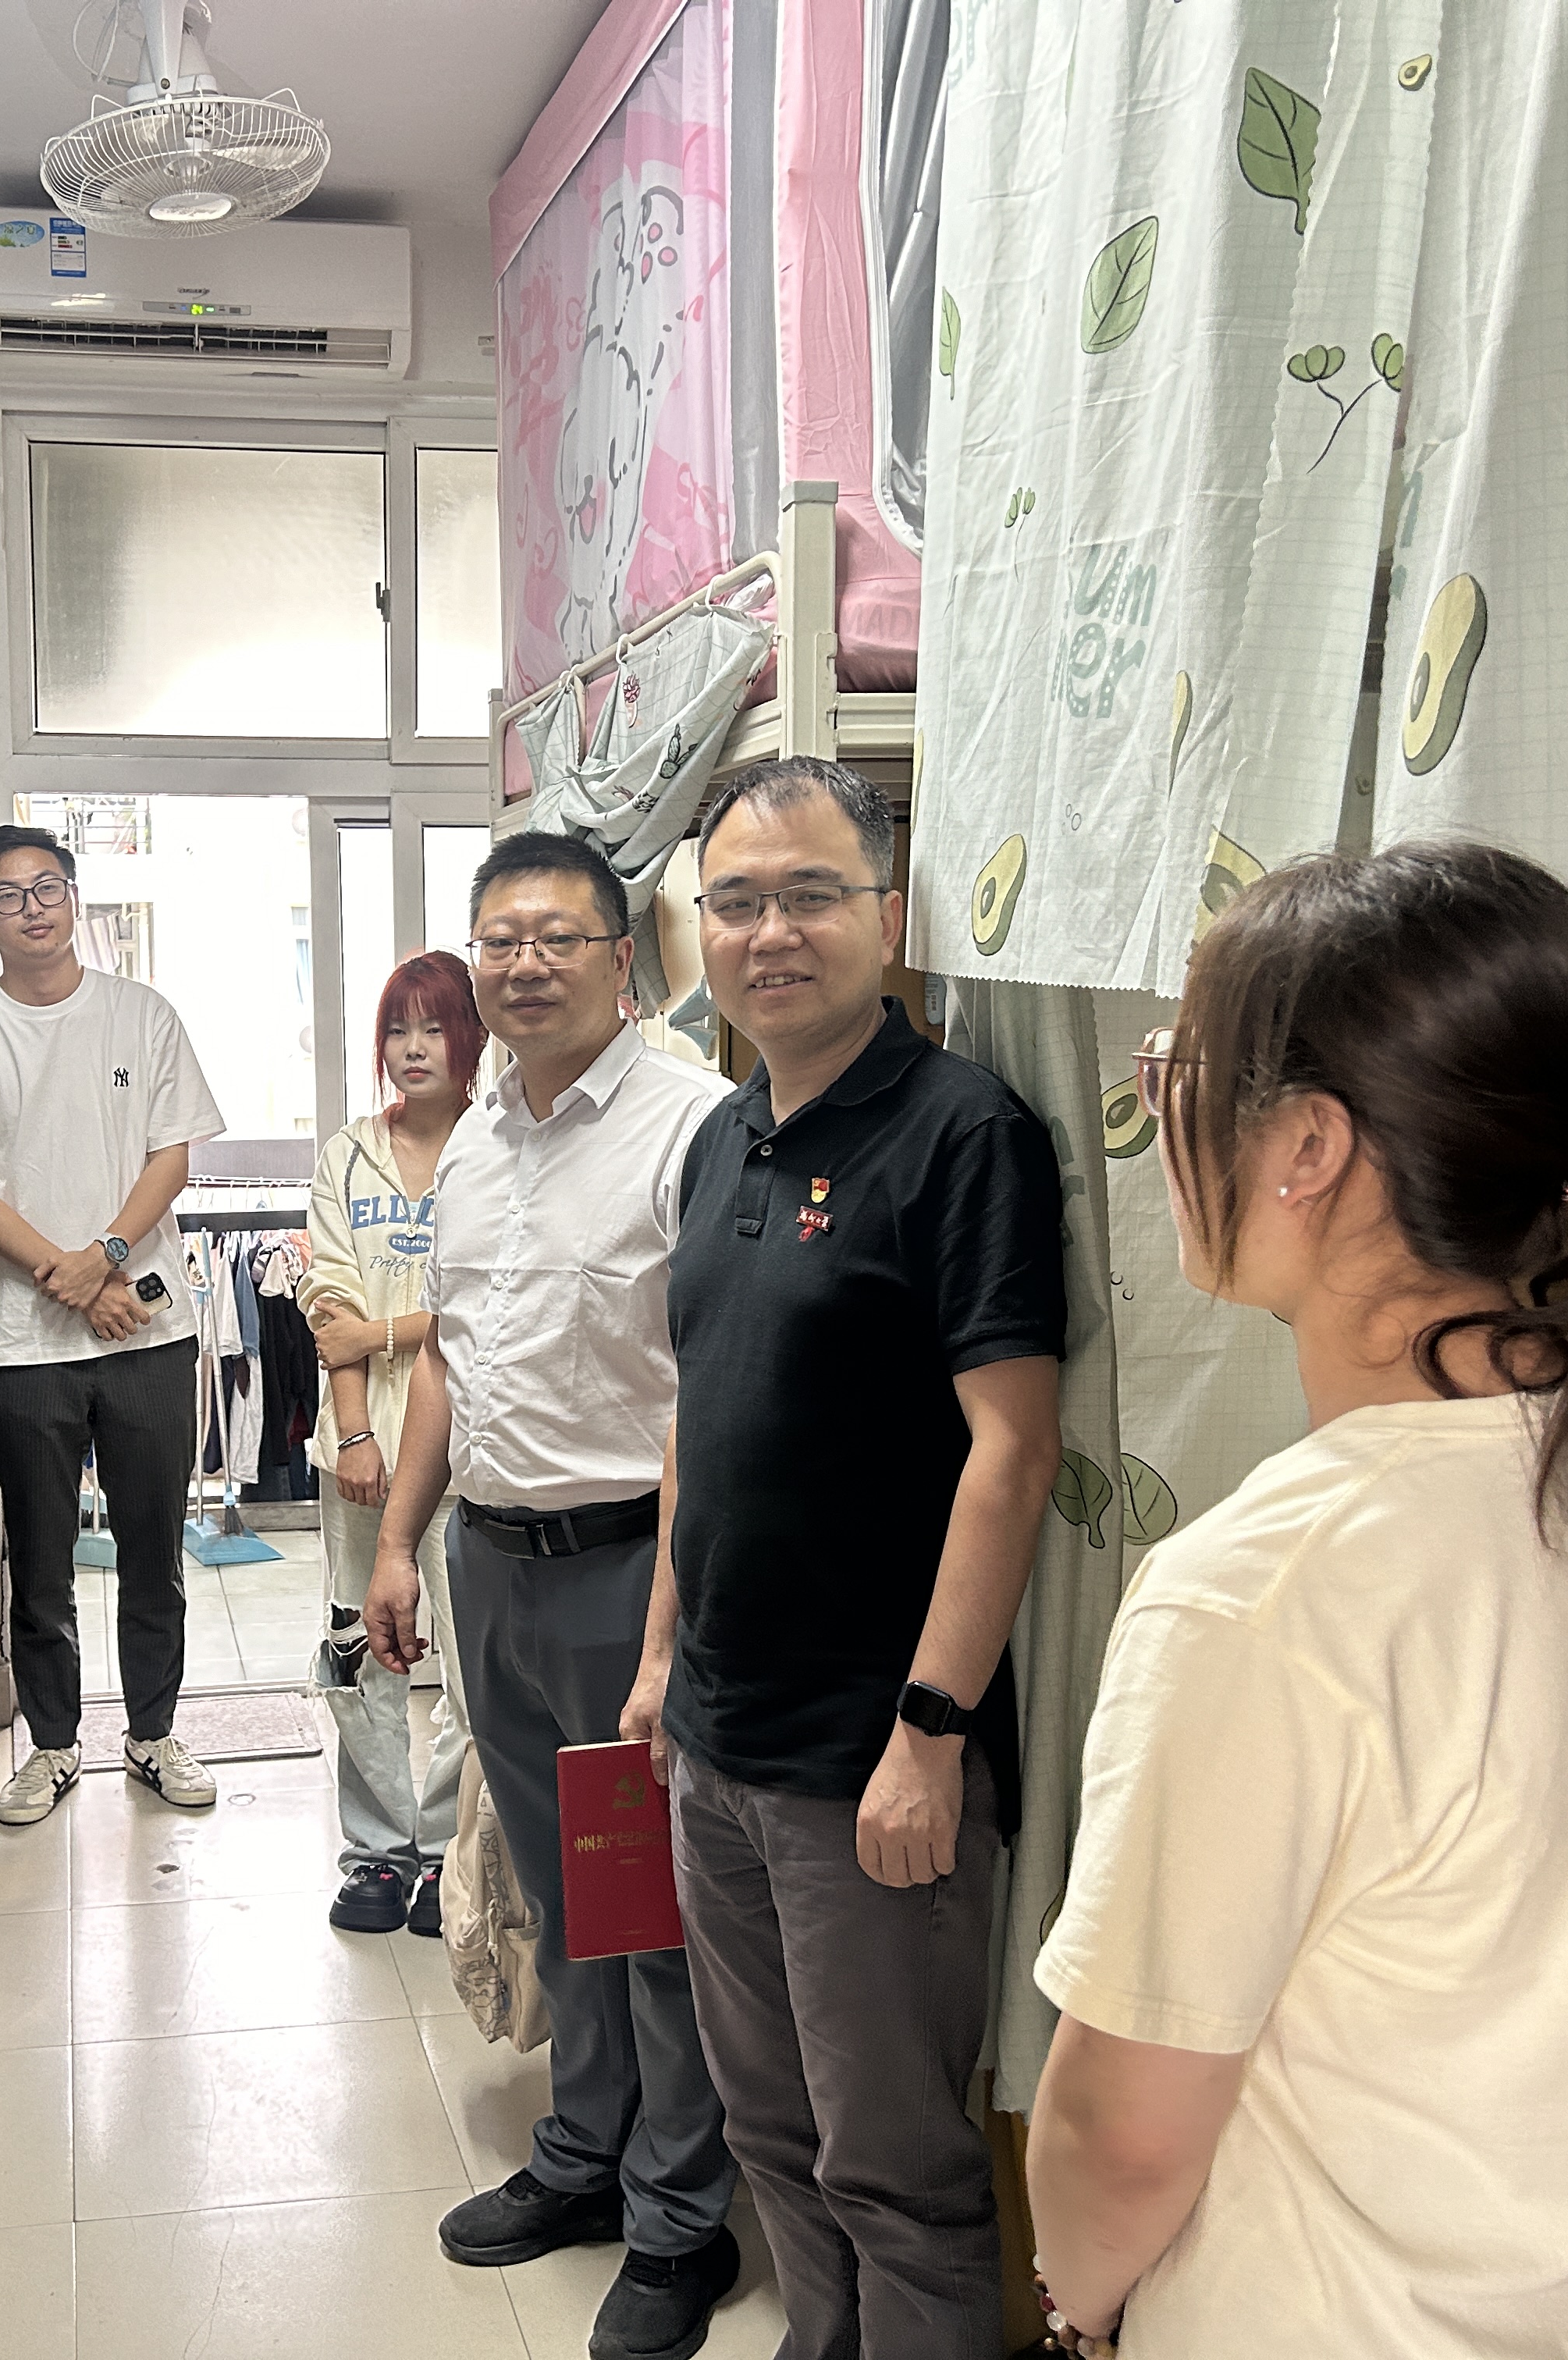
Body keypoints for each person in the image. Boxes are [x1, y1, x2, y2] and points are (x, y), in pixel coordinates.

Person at [1023, 841, 1568, 2358]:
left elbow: (1121, 2133)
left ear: (1306, 1146)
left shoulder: (1265, 1592)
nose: (1160, 1113)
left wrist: (1072, 2308)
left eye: (1177, 1069)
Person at [624, 759, 1064, 2360]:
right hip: (716, 1745)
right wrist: (662, 1661)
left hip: (867, 1759)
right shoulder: (718, 1138)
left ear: (887, 914)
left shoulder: (964, 1135)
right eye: (735, 902)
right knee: (770, 2132)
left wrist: (930, 1733)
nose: (770, 933)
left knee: (896, 2170)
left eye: (810, 894)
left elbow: (1012, 1450)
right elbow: (699, 1412)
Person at [368, 831, 744, 2360]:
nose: (523, 963)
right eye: (498, 939)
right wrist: (400, 1541)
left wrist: (664, 1630)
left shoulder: (692, 1124)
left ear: (622, 958)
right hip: (492, 1564)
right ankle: (584, 2154)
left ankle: (681, 2218)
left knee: (653, 1908)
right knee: (565, 1892)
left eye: (556, 936)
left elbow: (711, 1392)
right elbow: (447, 1354)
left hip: (627, 1571)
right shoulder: (476, 1133)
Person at [0, 822, 226, 1825]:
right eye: (8, 895)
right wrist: (79, 1281)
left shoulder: (142, 1015)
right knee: (41, 1561)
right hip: (30, 1347)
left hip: (150, 1335)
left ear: (74, 896)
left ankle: (153, 1734)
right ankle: (51, 1747)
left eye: (48, 886)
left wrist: (111, 1257)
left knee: (153, 1552)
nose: (33, 908)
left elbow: (171, 1157)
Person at [301, 947, 483, 1937]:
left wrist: (381, 1333)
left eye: (435, 1027)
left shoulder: (498, 1147)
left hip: (469, 1449)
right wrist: (358, 1431)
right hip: (360, 1452)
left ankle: (451, 1846)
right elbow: (329, 1304)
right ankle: (377, 1849)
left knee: (470, 1660)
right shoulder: (348, 1153)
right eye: (398, 1030)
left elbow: (487, 1300)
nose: (414, 1049)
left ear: (472, 1038)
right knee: (359, 1648)